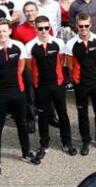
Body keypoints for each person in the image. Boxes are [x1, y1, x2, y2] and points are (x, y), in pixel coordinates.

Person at [0, 18, 39, 175]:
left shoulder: (19, 47)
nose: (2, 34)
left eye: (4, 30)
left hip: (18, 92)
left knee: (22, 123)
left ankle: (26, 153)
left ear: (10, 31)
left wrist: (15, 84)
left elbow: (21, 67)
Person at [25, 15, 77, 159]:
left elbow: (61, 62)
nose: (43, 31)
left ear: (50, 28)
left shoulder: (58, 43)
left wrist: (59, 80)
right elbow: (29, 67)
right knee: (42, 116)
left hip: (58, 84)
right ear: (35, 29)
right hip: (41, 86)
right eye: (40, 28)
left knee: (63, 115)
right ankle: (44, 144)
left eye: (46, 28)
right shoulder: (30, 46)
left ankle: (67, 143)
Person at [64, 12, 96, 155]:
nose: (83, 29)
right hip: (81, 83)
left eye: (86, 26)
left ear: (90, 25)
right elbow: (70, 66)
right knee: (82, 113)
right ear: (76, 26)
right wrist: (78, 78)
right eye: (80, 26)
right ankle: (86, 141)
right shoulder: (71, 44)